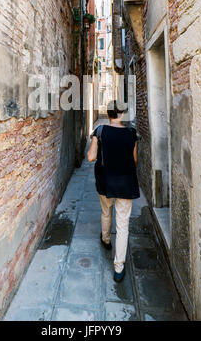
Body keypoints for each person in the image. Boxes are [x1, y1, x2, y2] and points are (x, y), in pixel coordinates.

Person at [87, 100, 140, 282]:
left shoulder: (100, 132)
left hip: (105, 182)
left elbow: (91, 157)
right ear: (122, 115)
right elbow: (134, 161)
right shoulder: (131, 133)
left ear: (108, 115)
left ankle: (106, 240)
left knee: (106, 212)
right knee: (123, 224)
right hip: (125, 182)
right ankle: (119, 268)